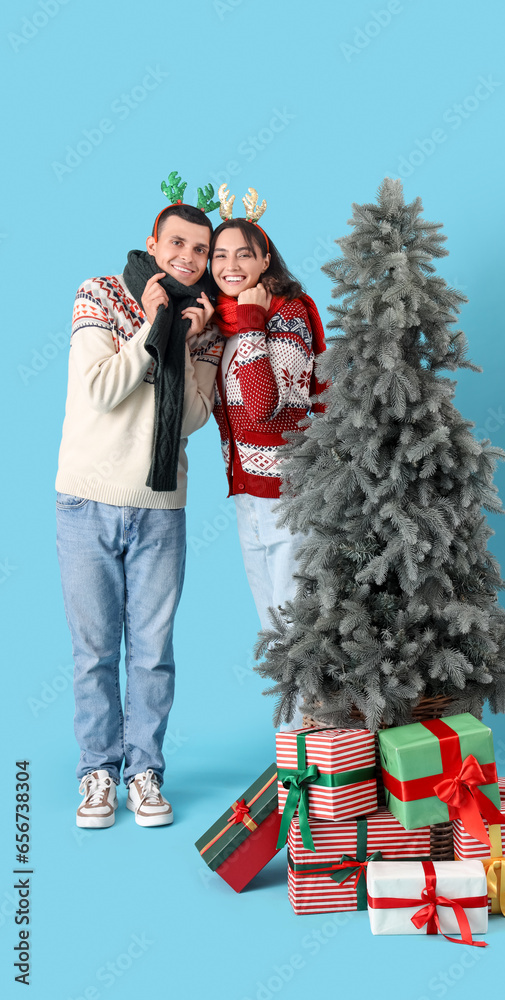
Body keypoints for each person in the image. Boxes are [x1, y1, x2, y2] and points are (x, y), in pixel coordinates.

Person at [56, 184, 222, 828]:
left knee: (152, 650)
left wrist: (181, 337)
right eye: (177, 243)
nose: (188, 257)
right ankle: (98, 770)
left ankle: (145, 770)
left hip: (161, 504)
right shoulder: (99, 292)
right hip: (86, 498)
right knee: (94, 649)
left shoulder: (203, 325)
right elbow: (101, 390)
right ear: (153, 244)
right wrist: (152, 326)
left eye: (200, 250)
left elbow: (192, 420)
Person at [209, 187, 326, 726]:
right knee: (272, 625)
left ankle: (313, 743)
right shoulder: (226, 319)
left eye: (243, 254)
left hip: (289, 491)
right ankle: (295, 746)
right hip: (248, 491)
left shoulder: (286, 313)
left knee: (298, 620)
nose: (230, 266)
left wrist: (254, 324)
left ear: (265, 259)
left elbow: (265, 409)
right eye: (220, 255)